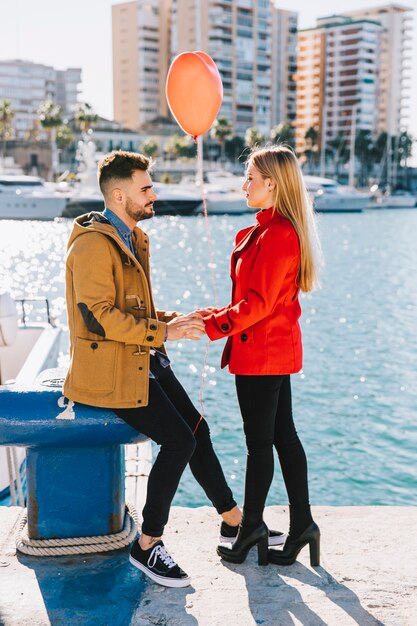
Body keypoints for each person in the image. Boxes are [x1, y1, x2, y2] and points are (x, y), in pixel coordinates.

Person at [63, 150, 284, 589]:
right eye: (146, 189)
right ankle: (147, 545)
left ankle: (232, 520)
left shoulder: (132, 237)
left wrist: (175, 321)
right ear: (120, 194)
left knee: (197, 428)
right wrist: (164, 334)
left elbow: (135, 310)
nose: (154, 195)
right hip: (109, 372)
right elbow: (100, 317)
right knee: (179, 440)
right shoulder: (92, 244)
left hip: (141, 360)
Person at [200, 145, 321, 567]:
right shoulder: (265, 231)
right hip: (266, 350)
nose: (244, 184)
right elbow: (250, 301)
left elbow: (257, 305)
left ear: (271, 183)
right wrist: (211, 316)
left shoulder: (278, 234)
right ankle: (302, 522)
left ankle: (252, 526)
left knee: (260, 443)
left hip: (264, 354)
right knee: (282, 437)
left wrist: (214, 327)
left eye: (250, 177)